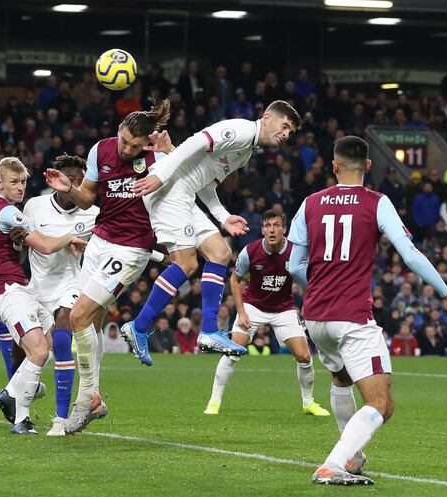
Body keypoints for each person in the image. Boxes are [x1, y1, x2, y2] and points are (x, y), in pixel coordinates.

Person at [288, 136, 447, 485]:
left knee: (341, 378)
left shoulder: (310, 203)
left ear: (334, 165)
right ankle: (332, 464)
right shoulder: (377, 202)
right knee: (382, 403)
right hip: (352, 316)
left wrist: (322, 286)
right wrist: (446, 293)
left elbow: (295, 265)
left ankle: (352, 458)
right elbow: (410, 254)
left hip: (316, 317)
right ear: (368, 166)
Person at [122, 100, 301, 365]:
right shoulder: (240, 130)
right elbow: (196, 142)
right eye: (284, 125)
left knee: (220, 252)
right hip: (169, 187)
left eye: (291, 132)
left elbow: (206, 184)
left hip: (185, 191)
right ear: (266, 118)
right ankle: (138, 327)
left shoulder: (246, 152)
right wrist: (160, 172)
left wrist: (224, 217)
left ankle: (208, 332)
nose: (286, 134)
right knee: (186, 263)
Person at [43, 99, 174, 434]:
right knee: (92, 324)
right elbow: (88, 198)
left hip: (132, 249)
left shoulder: (156, 159)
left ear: (146, 142)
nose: (127, 149)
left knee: (78, 316)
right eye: (124, 141)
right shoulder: (100, 150)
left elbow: (184, 188)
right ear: (118, 131)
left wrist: (169, 151)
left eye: (134, 145)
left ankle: (86, 399)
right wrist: (68, 189)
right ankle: (95, 397)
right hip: (100, 242)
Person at [0, 157, 86, 435]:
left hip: (18, 288)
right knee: (39, 351)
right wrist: (70, 237)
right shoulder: (7, 212)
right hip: (5, 290)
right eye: (13, 182)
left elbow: (13, 249)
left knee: (48, 347)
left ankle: (14, 395)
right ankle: (18, 411)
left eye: (24, 181)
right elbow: (47, 246)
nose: (20, 187)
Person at [204, 209, 329, 417]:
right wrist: (242, 311)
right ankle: (214, 402)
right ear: (262, 230)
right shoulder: (250, 251)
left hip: (284, 308)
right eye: (268, 226)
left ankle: (309, 403)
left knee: (304, 356)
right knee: (232, 350)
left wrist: (307, 307)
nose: (272, 230)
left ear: (284, 229)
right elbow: (235, 279)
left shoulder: (296, 252)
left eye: (276, 225)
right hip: (253, 306)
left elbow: (309, 280)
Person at [20, 154, 99, 436]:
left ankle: (61, 418)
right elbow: (21, 244)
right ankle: (22, 405)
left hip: (70, 283)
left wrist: (88, 248)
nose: (75, 186)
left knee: (64, 338)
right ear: (57, 181)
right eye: (70, 180)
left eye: (80, 181)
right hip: (37, 286)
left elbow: (110, 246)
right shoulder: (34, 206)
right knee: (30, 350)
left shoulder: (93, 213)